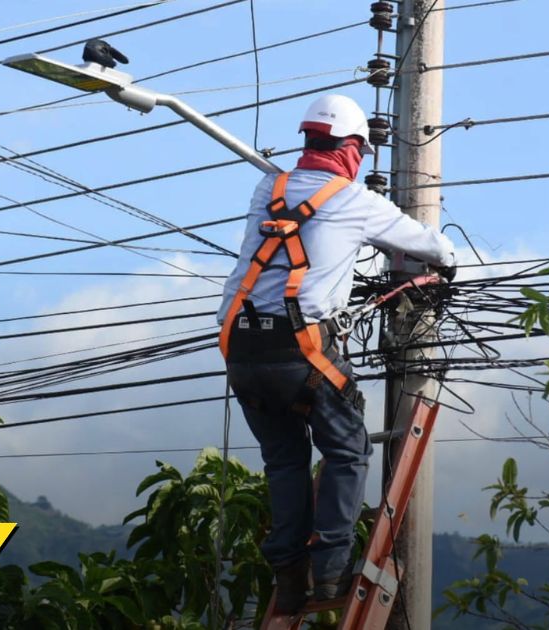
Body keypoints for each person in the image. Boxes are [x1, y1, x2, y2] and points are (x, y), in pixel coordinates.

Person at [217, 94, 456, 613]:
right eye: (360, 154)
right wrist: (446, 262)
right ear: (351, 148)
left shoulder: (268, 188)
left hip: (240, 350)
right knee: (348, 450)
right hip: (301, 349)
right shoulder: (355, 200)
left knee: (285, 460)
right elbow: (430, 246)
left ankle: (288, 579)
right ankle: (329, 574)